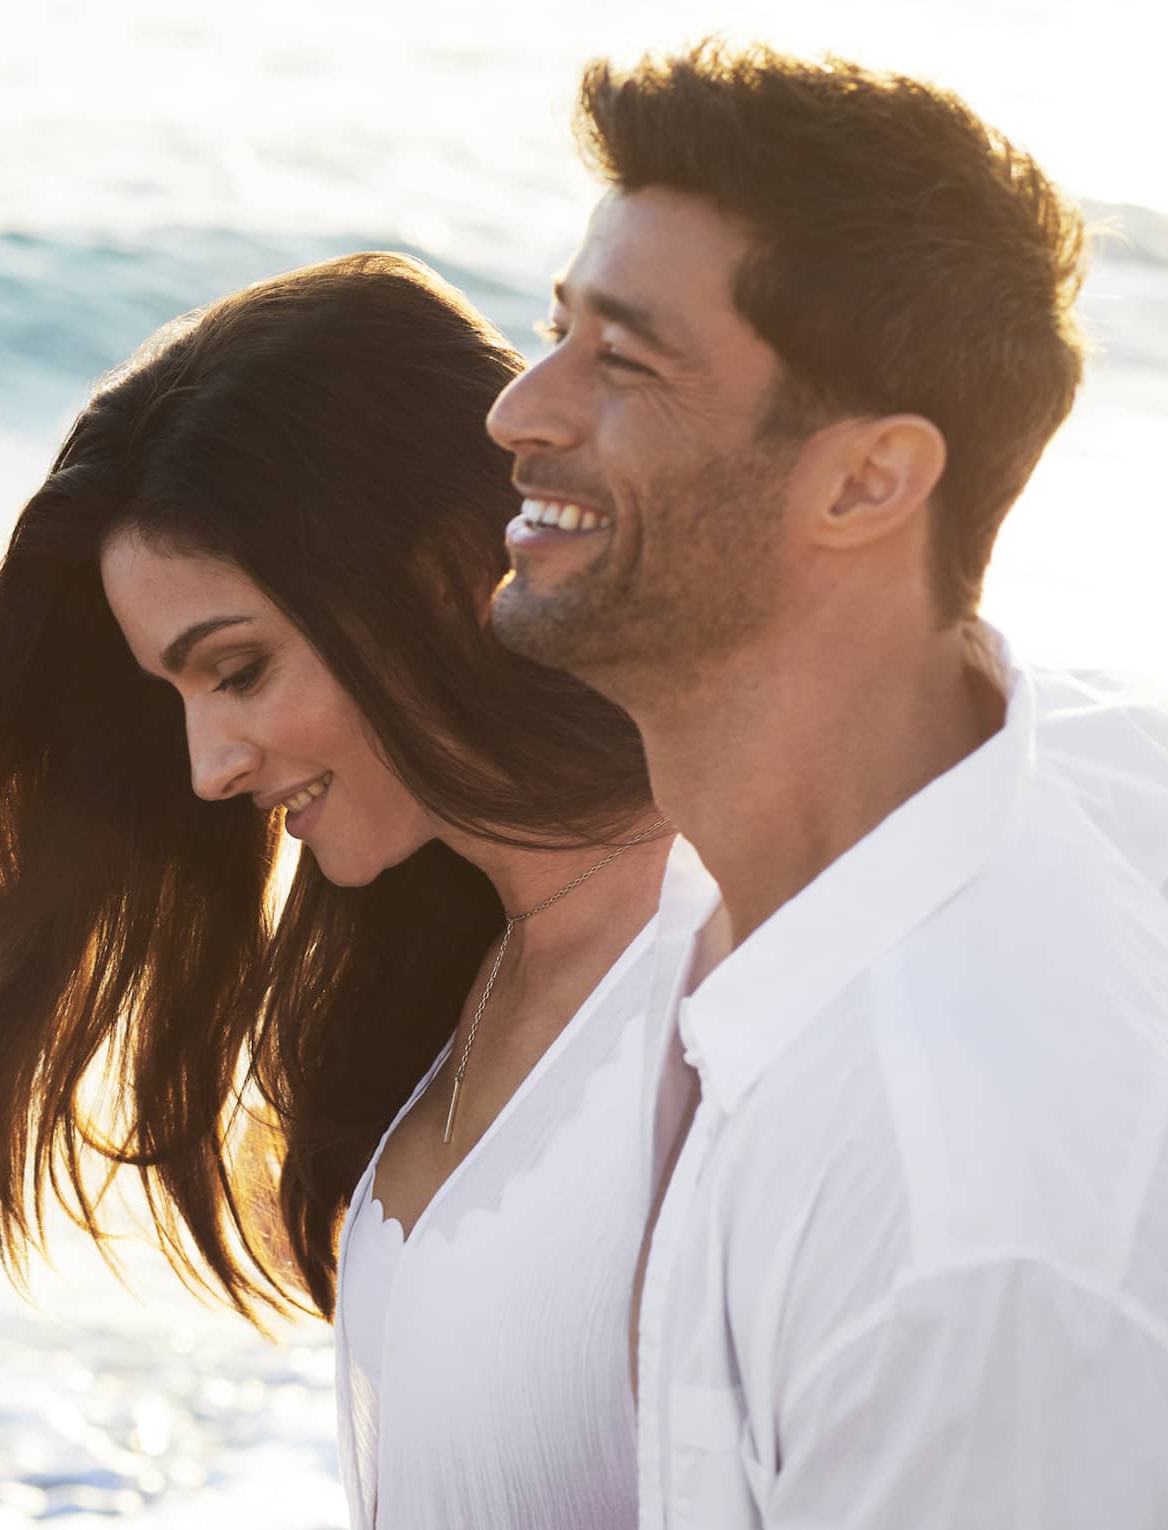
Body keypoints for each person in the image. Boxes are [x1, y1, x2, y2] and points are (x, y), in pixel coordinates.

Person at [0, 251, 714, 1528]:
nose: (209, 771)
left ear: (444, 577)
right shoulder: (459, 975)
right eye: (177, 697)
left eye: (237, 670)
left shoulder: (724, 970)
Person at [486, 41, 1168, 1528]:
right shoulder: (1051, 772)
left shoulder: (957, 1236)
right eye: (553, 330)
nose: (518, 410)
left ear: (865, 482)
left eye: (624, 358)